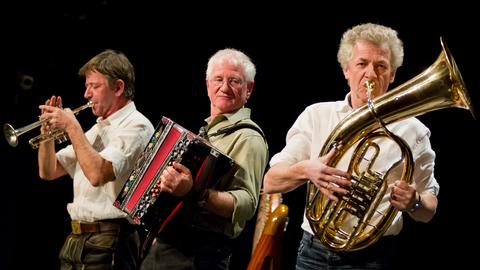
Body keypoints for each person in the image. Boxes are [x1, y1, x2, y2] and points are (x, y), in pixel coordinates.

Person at [263, 23, 439, 269]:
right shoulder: (317, 115)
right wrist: (307, 170)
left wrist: (414, 201)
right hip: (313, 253)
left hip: (373, 257)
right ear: (346, 69)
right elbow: (271, 181)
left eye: (381, 66)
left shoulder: (414, 131)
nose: (370, 74)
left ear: (393, 75)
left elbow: (429, 208)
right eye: (361, 63)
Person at [140, 48, 269, 270]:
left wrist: (194, 192)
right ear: (208, 84)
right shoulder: (207, 131)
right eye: (218, 79)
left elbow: (247, 204)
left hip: (201, 252)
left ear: (249, 89)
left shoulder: (249, 137)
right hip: (169, 246)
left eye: (235, 81)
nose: (225, 87)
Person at [37, 49, 155, 269]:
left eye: (94, 86)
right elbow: (49, 171)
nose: (86, 95)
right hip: (78, 239)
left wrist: (72, 126)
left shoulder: (136, 126)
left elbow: (97, 174)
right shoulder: (98, 128)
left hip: (110, 241)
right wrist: (46, 136)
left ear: (118, 87)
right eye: (86, 86)